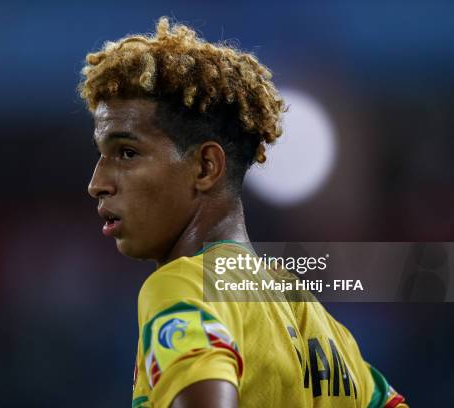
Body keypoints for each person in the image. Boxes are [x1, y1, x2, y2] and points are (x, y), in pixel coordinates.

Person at [80, 17, 407, 408]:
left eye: (127, 153)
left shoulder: (182, 287)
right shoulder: (320, 324)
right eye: (103, 156)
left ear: (205, 167)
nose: (97, 183)